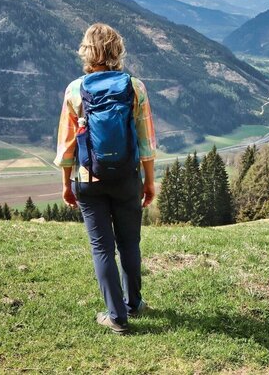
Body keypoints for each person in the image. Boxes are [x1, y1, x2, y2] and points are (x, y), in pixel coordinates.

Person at [54, 22, 157, 334]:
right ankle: (134, 303)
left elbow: (67, 145)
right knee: (130, 242)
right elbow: (145, 142)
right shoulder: (135, 87)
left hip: (88, 179)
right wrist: (148, 181)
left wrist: (66, 185)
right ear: (117, 50)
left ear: (87, 52)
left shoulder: (74, 90)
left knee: (102, 247)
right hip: (127, 176)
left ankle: (116, 317)